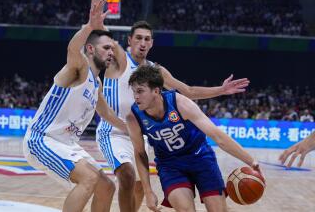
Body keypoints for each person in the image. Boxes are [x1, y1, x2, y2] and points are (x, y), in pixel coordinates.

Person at [94, 14, 250, 211]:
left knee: (140, 185)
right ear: (129, 40)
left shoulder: (155, 71)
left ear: (152, 43)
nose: (142, 43)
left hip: (140, 133)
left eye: (147, 39)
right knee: (127, 174)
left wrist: (220, 90)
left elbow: (188, 91)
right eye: (138, 38)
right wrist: (97, 23)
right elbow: (103, 38)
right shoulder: (118, 58)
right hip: (114, 131)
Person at [23, 0, 126, 212]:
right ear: (90, 49)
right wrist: (90, 26)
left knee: (106, 186)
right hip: (42, 139)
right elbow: (72, 48)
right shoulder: (79, 67)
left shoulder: (96, 83)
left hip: (67, 144)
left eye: (112, 49)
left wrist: (131, 129)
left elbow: (105, 112)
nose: (110, 52)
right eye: (106, 47)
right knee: (88, 178)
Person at [126, 65, 262, 212]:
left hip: (200, 157)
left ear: (156, 91)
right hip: (170, 165)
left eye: (140, 91)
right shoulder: (133, 117)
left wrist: (251, 161)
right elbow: (140, 153)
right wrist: (148, 191)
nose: (136, 97)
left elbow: (217, 136)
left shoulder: (180, 103)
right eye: (134, 92)